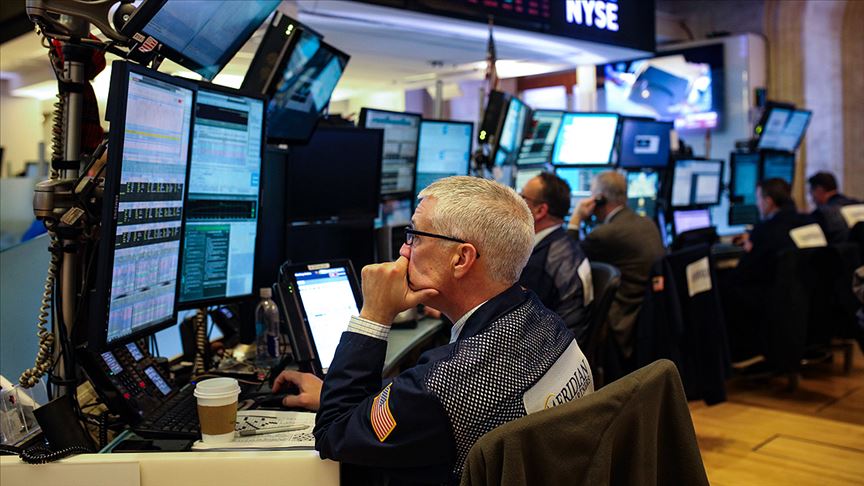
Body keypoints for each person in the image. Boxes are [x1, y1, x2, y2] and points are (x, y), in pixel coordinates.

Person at [273, 176, 593, 485]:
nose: (404, 250)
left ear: (461, 258)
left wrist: (374, 316)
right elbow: (426, 398)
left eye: (415, 236)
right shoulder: (544, 321)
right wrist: (337, 395)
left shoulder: (442, 388)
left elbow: (334, 433)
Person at [567, 171, 665, 367]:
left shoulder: (605, 234)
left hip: (621, 319)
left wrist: (576, 217)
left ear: (600, 199)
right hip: (647, 316)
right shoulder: (648, 223)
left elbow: (569, 259)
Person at [518, 172, 592, 340]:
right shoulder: (564, 245)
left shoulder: (539, 263)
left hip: (552, 347)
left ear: (540, 210)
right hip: (569, 342)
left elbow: (519, 324)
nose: (517, 202)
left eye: (523, 197)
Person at [807, 172, 860, 244]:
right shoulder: (859, 204)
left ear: (819, 190)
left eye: (811, 193)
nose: (812, 199)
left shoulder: (821, 214)